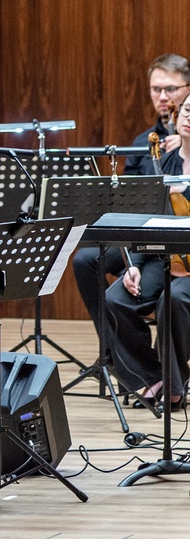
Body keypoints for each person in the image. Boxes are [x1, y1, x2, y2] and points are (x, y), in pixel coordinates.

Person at [73, 53, 190, 353]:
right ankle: (114, 350)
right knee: (86, 259)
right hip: (143, 228)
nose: (162, 97)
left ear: (187, 89)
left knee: (166, 285)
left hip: (177, 235)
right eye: (156, 89)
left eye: (171, 89)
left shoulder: (183, 138)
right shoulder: (141, 143)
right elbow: (128, 199)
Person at [108, 91, 190, 411]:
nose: (188, 116)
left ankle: (173, 387)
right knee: (117, 297)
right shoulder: (163, 162)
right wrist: (135, 264)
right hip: (165, 256)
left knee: (176, 299)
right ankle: (152, 377)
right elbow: (148, 221)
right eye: (186, 109)